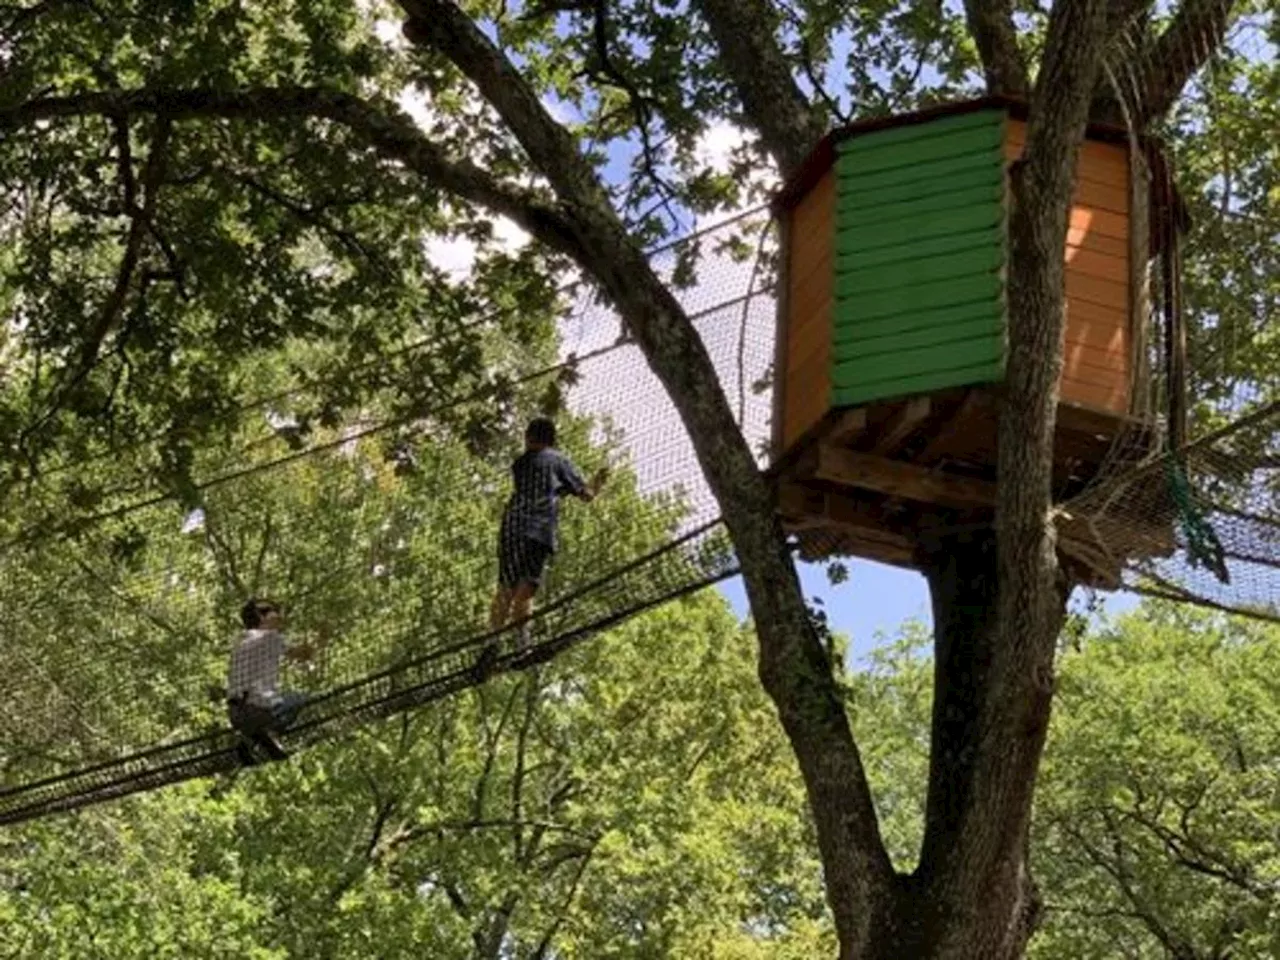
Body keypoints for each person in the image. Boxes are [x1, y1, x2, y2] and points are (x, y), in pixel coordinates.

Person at [488, 418, 607, 651]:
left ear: (530, 437)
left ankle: (492, 641)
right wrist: (598, 482)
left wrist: (562, 490)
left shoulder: (520, 464)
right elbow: (586, 495)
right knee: (526, 588)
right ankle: (523, 644)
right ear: (551, 440)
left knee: (506, 585)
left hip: (513, 526)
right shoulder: (559, 460)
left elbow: (545, 489)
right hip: (539, 529)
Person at [227, 598, 314, 765]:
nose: (277, 614)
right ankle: (270, 733)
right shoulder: (270, 637)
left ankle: (251, 739)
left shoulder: (241, 642)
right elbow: (302, 654)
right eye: (271, 610)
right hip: (258, 710)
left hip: (236, 715)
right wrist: (319, 638)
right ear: (261, 615)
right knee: (301, 699)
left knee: (273, 699)